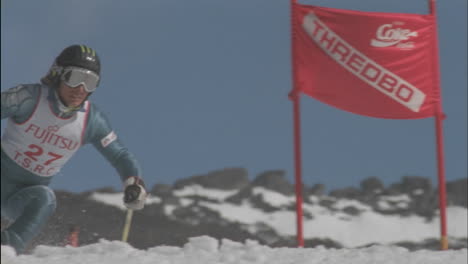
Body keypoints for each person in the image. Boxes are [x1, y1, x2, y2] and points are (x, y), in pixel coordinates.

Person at [1, 44, 147, 253]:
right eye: (75, 77)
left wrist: (134, 183)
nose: (81, 88)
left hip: (22, 197)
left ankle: (6, 248)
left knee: (45, 198)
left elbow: (120, 155)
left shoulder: (91, 120)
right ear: (57, 74)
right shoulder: (28, 97)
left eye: (90, 82)